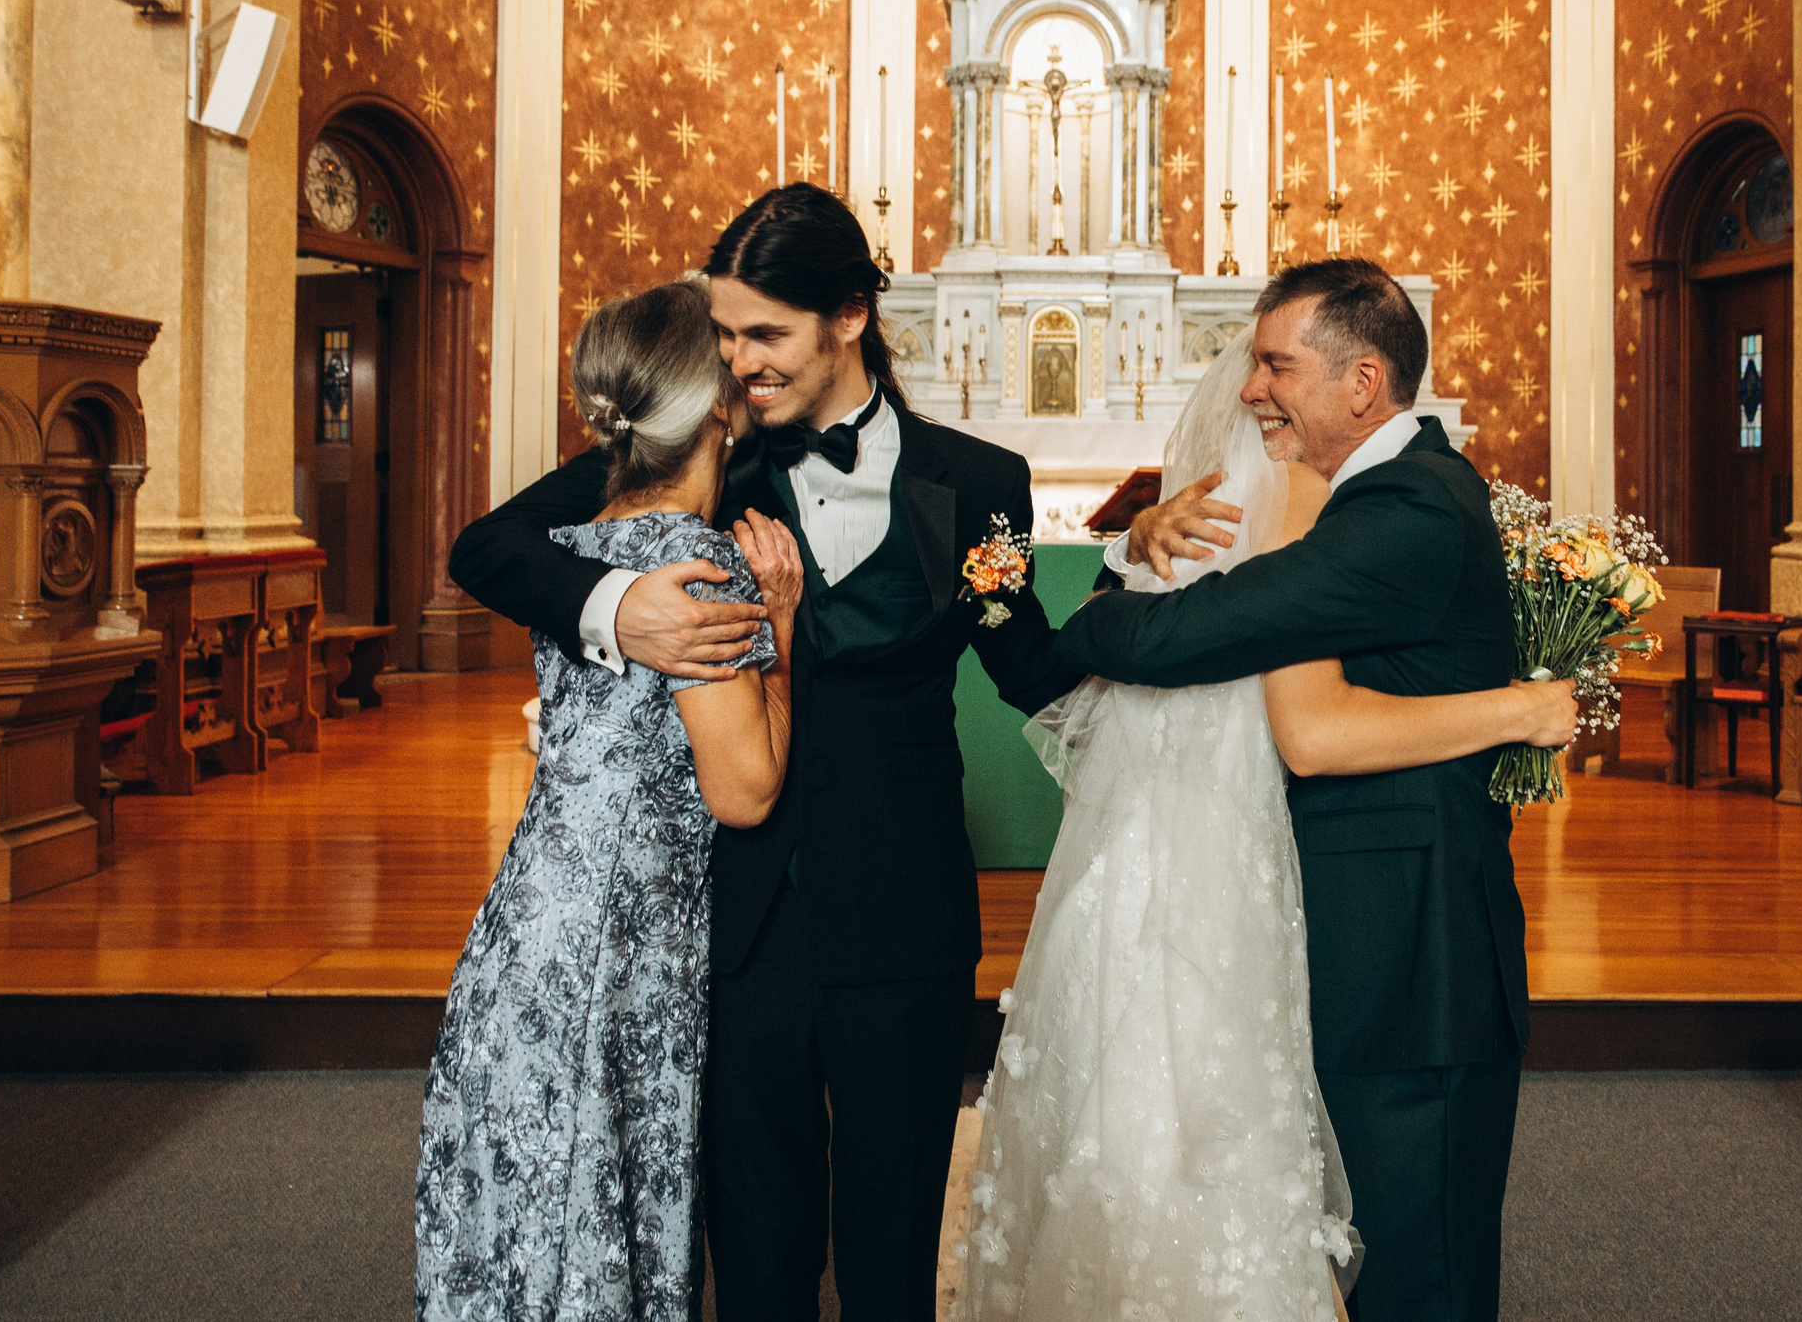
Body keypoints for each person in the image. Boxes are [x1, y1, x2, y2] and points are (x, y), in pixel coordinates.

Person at [447, 184, 1084, 1321]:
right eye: (724, 332)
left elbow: (1020, 653)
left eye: (762, 334)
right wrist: (619, 603)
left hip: (904, 916)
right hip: (733, 921)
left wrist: (1156, 582)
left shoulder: (978, 488)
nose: (734, 361)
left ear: (848, 314)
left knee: (891, 1257)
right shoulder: (703, 452)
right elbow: (489, 549)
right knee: (754, 1255)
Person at [958, 324, 1575, 1321]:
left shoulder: (1270, 500)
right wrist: (1522, 706)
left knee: (1162, 1122)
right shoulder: (1307, 498)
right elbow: (1298, 721)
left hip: (1198, 853)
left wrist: (1114, 564)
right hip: (1229, 850)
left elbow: (1216, 663)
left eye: (1277, 368)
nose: (1259, 390)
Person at [417, 280, 803, 1321]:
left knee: (537, 1198)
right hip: (628, 938)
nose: (753, 362)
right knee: (602, 1192)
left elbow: (996, 604)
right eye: (734, 348)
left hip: (531, 918)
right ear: (716, 397)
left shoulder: (580, 540)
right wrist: (783, 629)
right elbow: (746, 790)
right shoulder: (698, 560)